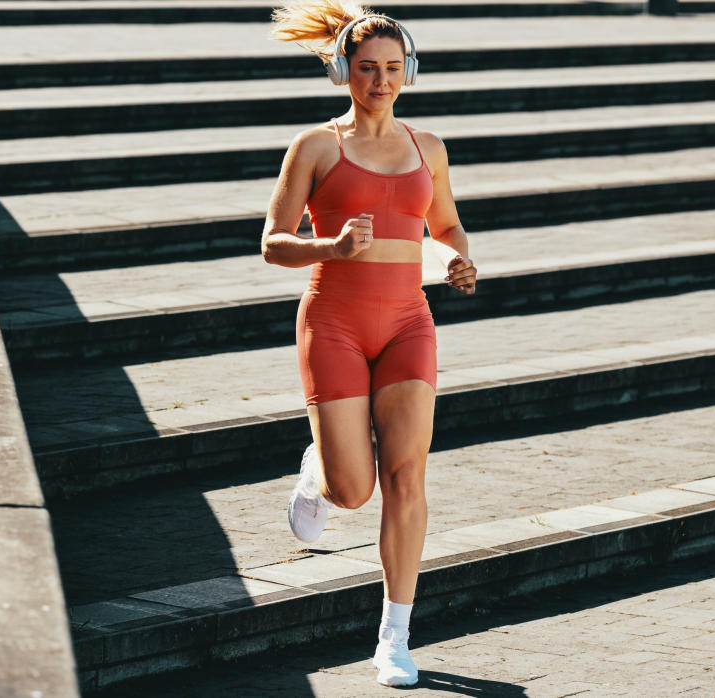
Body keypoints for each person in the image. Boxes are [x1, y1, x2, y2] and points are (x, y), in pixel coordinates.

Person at [262, 0, 478, 687]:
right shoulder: (315, 146)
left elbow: (443, 228)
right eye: (366, 69)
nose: (379, 81)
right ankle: (321, 471)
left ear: (407, 72)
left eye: (391, 69)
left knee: (407, 478)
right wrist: (327, 244)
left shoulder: (428, 148)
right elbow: (271, 243)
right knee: (354, 490)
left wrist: (453, 263)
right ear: (341, 72)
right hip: (333, 322)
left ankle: (394, 638)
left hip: (407, 323)